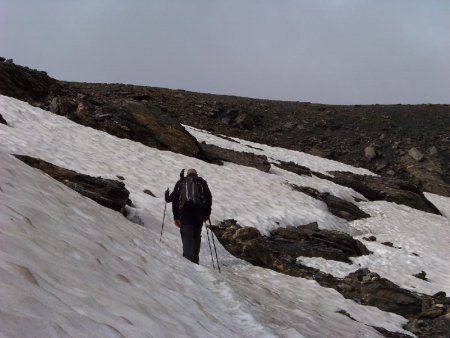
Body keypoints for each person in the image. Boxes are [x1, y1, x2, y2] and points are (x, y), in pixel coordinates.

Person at [171, 168, 212, 264]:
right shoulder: (201, 182)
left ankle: (188, 262)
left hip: (185, 213)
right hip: (199, 213)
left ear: (187, 174)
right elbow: (208, 198)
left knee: (187, 237)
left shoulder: (181, 182)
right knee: (196, 236)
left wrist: (176, 217)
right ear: (196, 174)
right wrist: (207, 214)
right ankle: (195, 260)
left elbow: (175, 200)